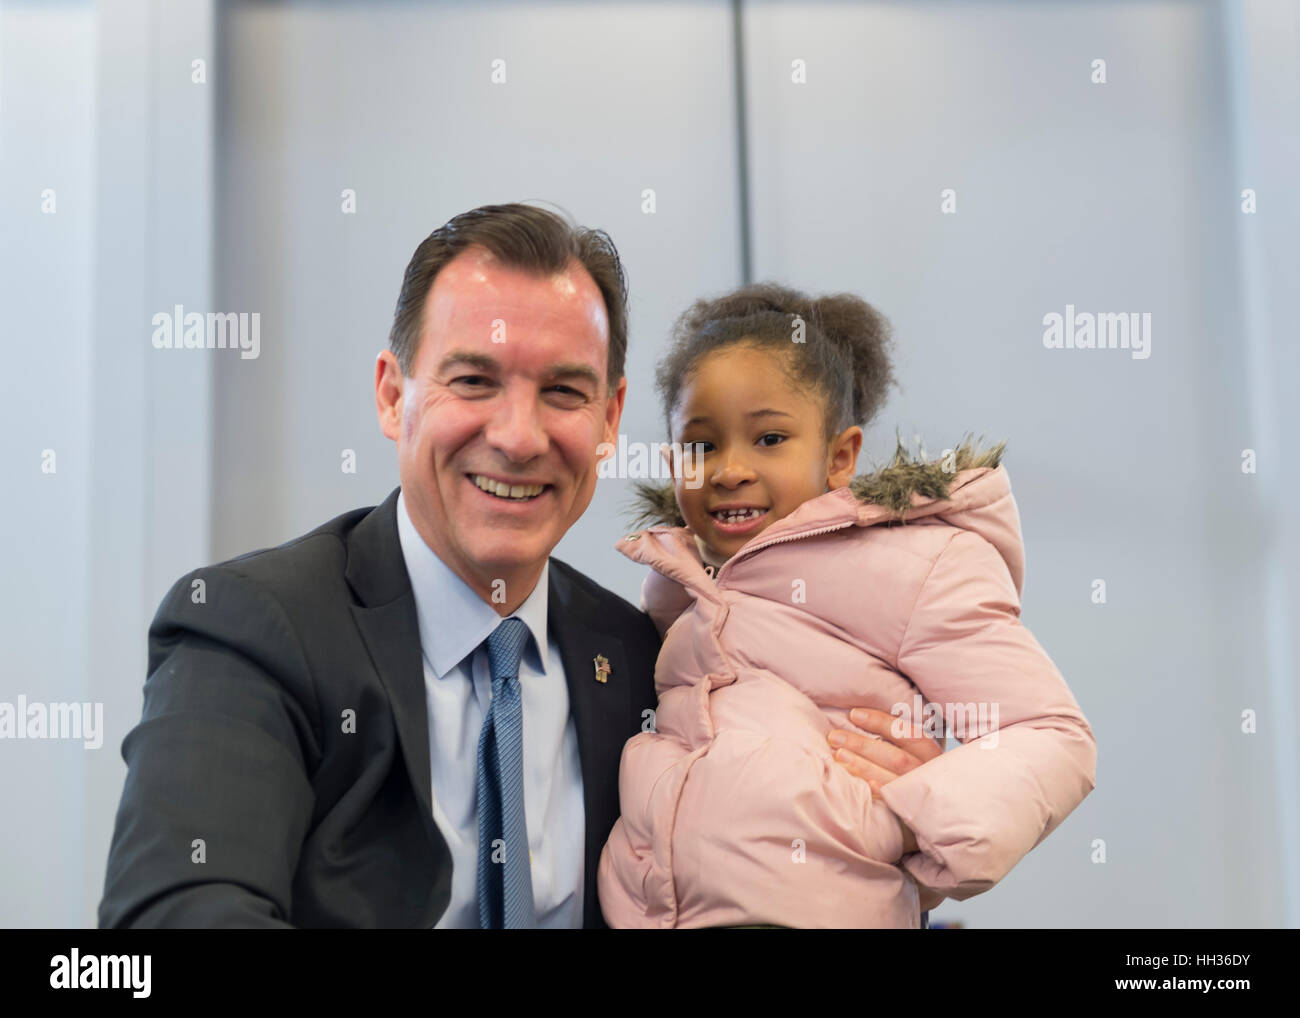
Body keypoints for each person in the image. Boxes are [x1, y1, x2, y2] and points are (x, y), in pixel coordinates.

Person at [97, 203, 927, 929]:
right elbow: (175, 912)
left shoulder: (647, 658)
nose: (520, 437)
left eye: (564, 393)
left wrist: (889, 815)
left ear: (609, 419)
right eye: (474, 379)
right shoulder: (255, 628)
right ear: (394, 397)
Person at [597, 283, 1098, 928]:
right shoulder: (677, 588)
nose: (729, 469)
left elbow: (1050, 734)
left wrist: (916, 819)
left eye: (770, 439)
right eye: (702, 445)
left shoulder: (915, 568)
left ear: (840, 457)